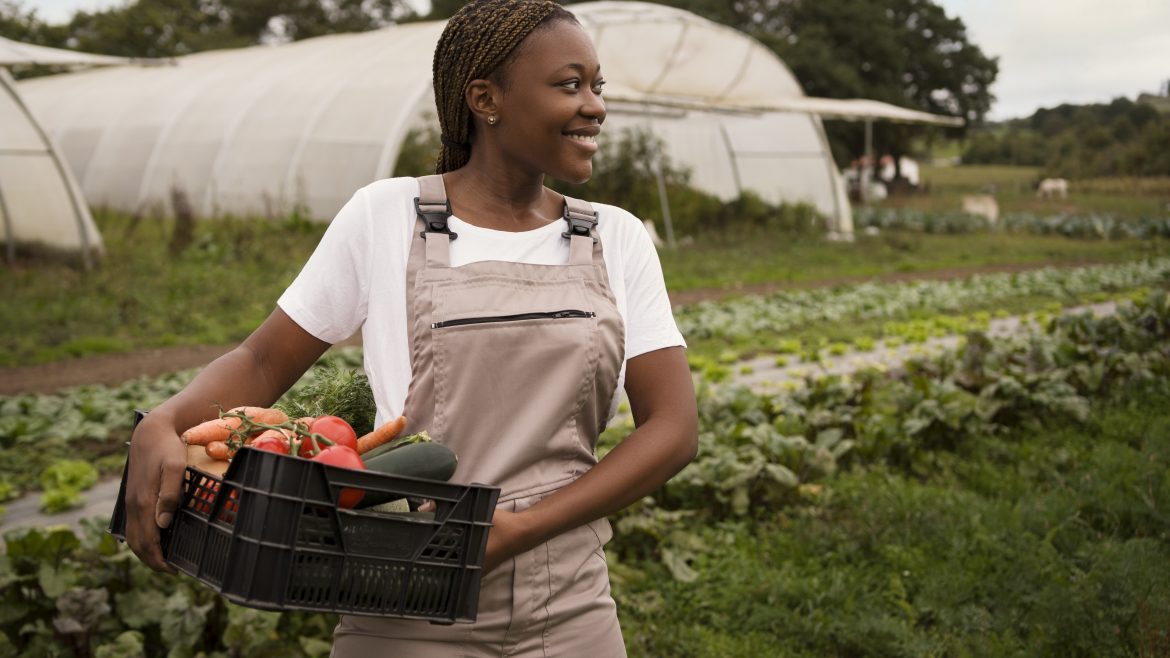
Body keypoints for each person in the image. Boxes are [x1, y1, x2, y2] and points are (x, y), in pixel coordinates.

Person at [124, 0, 698, 654]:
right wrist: (162, 422)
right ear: (486, 98)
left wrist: (522, 528)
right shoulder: (387, 215)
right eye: (570, 85)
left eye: (597, 86)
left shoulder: (615, 237)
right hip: (404, 593)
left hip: (569, 601)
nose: (594, 104)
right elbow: (261, 361)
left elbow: (673, 427)